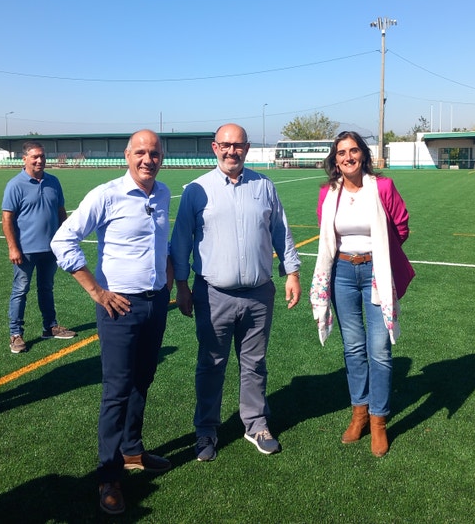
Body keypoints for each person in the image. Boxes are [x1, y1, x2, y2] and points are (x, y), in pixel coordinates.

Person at [51, 129, 172, 516]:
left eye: (154, 153)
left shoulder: (163, 193)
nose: (148, 159)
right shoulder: (106, 195)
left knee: (143, 380)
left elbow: (162, 245)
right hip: (119, 308)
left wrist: (169, 283)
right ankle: (108, 476)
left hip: (155, 304)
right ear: (127, 155)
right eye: (140, 152)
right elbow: (62, 240)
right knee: (117, 390)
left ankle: (132, 450)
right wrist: (96, 291)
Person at [170, 123, 301, 463]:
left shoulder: (264, 186)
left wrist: (292, 272)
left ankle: (256, 424)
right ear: (215, 148)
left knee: (254, 363)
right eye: (225, 145)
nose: (232, 151)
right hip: (213, 294)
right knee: (211, 363)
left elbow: (280, 230)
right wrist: (181, 285)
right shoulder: (197, 189)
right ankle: (206, 430)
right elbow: (181, 240)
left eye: (238, 145)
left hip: (259, 294)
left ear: (247, 148)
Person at [309, 131, 414, 457]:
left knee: (379, 348)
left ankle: (378, 420)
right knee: (353, 348)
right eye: (341, 152)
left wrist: (380, 254)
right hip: (341, 273)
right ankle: (359, 413)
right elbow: (326, 232)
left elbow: (401, 226)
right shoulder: (328, 192)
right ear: (335, 159)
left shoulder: (382, 187)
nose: (348, 157)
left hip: (375, 273)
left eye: (353, 151)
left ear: (363, 155)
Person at [2, 141, 76, 354]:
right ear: (24, 159)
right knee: (20, 290)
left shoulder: (53, 181)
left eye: (42, 156)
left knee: (46, 288)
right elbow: (7, 219)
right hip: (25, 250)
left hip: (50, 249)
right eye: (34, 156)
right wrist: (13, 247)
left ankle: (50, 327)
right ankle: (16, 334)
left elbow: (61, 211)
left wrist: (65, 239)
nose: (39, 160)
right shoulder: (15, 185)